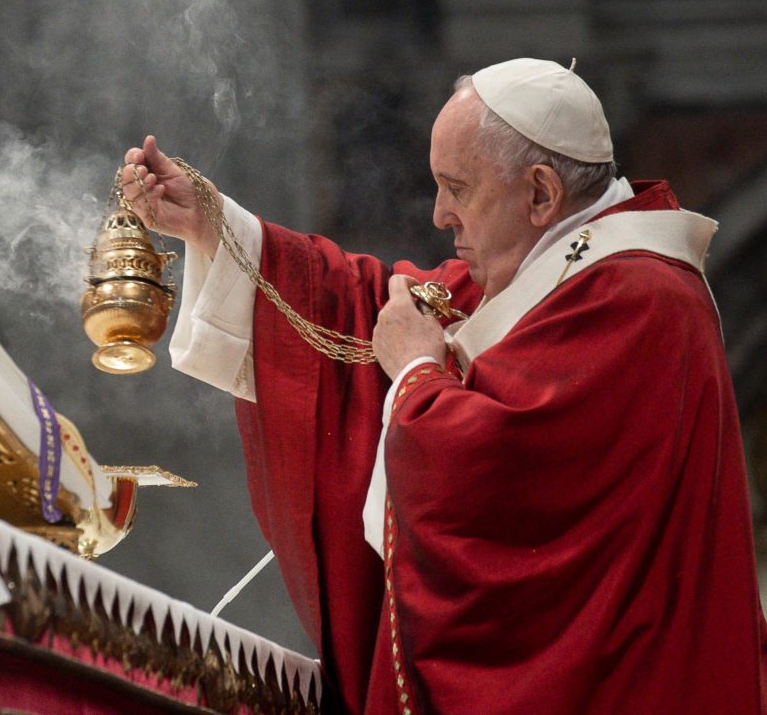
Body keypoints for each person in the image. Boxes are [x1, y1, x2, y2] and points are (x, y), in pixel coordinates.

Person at [119, 58, 767, 714]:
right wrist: (213, 225)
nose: (439, 215)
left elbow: (494, 482)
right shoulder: (549, 270)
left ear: (539, 194)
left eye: (456, 188)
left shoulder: (639, 301)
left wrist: (417, 374)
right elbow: (367, 304)